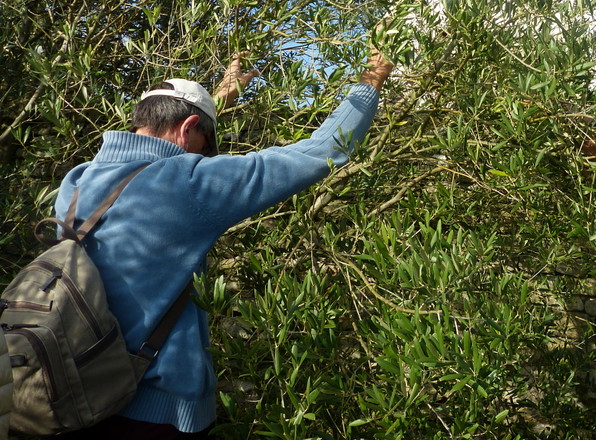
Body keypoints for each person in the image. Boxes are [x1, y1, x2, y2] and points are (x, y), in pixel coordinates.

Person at [56, 50, 393, 439]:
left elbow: (162, 148)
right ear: (189, 128)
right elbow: (321, 152)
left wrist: (219, 98)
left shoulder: (76, 183)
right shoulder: (191, 184)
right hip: (153, 411)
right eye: (207, 144)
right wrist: (371, 81)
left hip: (73, 392)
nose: (207, 155)